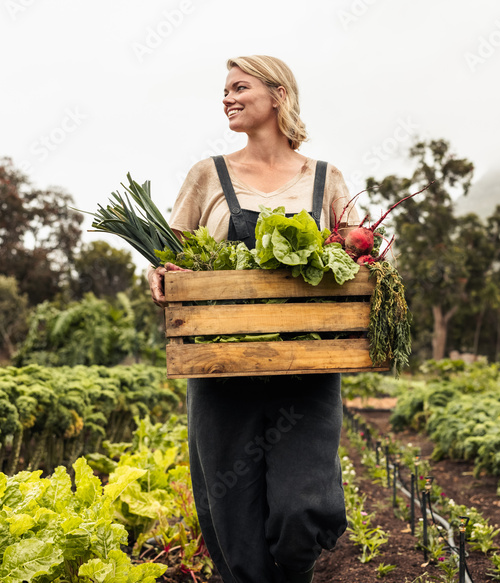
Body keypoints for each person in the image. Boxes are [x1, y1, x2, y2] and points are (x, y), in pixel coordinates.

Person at [147, 55, 360, 583]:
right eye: (224, 90)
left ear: (278, 94)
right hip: (222, 367)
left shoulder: (327, 179)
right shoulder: (207, 175)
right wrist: (160, 275)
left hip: (308, 368)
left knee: (302, 506)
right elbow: (174, 257)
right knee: (233, 523)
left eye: (239, 87)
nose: (227, 98)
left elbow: (362, 256)